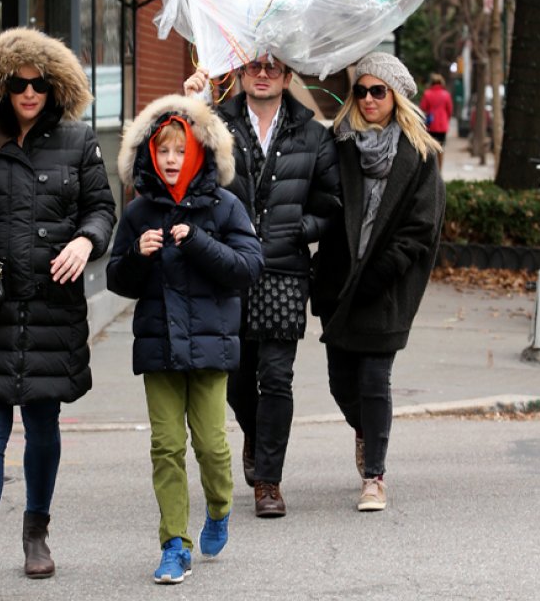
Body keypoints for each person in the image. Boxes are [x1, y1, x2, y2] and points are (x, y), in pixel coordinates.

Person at [0, 27, 116, 599]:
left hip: (51, 310)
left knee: (43, 427)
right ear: (0, 87)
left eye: (40, 84)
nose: (29, 92)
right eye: (18, 84)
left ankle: (36, 532)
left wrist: (87, 241)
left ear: (55, 86)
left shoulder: (78, 139)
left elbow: (101, 208)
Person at [107, 94, 264, 584]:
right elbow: (117, 278)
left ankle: (218, 508)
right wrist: (138, 254)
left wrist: (197, 242)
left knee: (213, 447)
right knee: (166, 446)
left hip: (212, 344)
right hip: (159, 346)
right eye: (162, 151)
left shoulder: (224, 205)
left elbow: (248, 268)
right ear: (150, 155)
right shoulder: (138, 212)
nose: (171, 160)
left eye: (180, 151)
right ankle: (174, 543)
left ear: (198, 154)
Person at [184, 57, 340, 518]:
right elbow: (183, 171)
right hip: (228, 267)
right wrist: (192, 107)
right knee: (234, 377)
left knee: (275, 377)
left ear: (288, 76)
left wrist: (299, 228)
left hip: (285, 271)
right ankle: (255, 433)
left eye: (274, 66)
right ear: (242, 72)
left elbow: (331, 202)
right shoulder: (215, 123)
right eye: (255, 65)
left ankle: (269, 481)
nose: (264, 73)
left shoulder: (313, 135)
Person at [312, 52, 445, 513]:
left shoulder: (420, 154)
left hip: (385, 289)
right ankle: (366, 430)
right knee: (340, 383)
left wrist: (379, 273)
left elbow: (420, 229)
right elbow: (321, 207)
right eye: (361, 91)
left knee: (374, 379)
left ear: (396, 97)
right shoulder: (337, 145)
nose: (368, 99)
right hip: (336, 286)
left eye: (378, 91)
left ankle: (375, 477)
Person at [420, 73, 453, 170]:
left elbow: (423, 107)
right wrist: (446, 119)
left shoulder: (427, 93)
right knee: (441, 148)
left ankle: (431, 170)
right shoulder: (446, 94)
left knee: (430, 148)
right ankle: (440, 170)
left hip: (431, 125)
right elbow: (450, 110)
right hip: (442, 125)